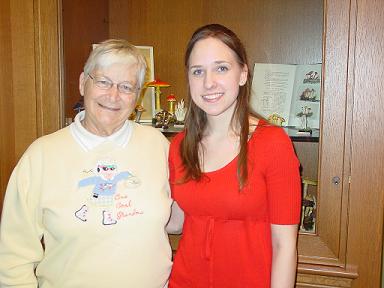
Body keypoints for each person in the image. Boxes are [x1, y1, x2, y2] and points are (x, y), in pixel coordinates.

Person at [0, 39, 173, 287]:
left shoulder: (159, 147)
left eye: (126, 86)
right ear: (83, 83)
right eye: (103, 82)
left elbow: (181, 216)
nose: (113, 95)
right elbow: (13, 259)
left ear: (137, 96)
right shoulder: (41, 156)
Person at [168, 24, 302, 288]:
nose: (209, 83)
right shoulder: (179, 145)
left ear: (242, 74)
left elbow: (284, 245)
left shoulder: (272, 143)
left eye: (221, 68)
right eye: (198, 71)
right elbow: (175, 223)